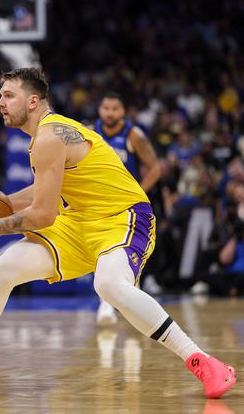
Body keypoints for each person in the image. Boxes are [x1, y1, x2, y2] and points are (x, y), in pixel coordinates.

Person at [0, 68, 236, 399]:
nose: (0, 102)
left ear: (34, 100)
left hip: (123, 217)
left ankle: (203, 361)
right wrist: (5, 203)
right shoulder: (48, 134)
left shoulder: (50, 136)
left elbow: (42, 214)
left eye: (8, 95)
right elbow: (44, 191)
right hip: (78, 221)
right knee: (5, 267)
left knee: (109, 285)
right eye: (0, 95)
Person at [94, 93, 162, 325]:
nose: (110, 113)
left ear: (123, 111)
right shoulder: (91, 133)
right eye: (106, 108)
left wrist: (139, 192)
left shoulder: (133, 135)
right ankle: (106, 305)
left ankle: (133, 307)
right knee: (102, 251)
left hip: (127, 205)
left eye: (115, 108)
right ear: (100, 110)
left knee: (130, 257)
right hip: (99, 200)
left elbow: (155, 168)